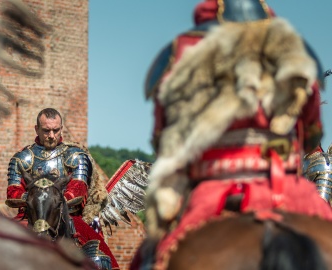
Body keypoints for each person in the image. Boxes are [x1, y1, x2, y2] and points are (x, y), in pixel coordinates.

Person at [133, 0, 332, 269]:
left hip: (211, 193)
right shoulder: (294, 48)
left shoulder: (181, 50)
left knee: (150, 258)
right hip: (289, 191)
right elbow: (311, 133)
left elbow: (162, 137)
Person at [5, 108, 119, 269]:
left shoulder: (75, 156)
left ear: (61, 129)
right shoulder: (22, 158)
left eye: (55, 130)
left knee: (99, 257)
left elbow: (78, 187)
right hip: (29, 216)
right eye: (46, 130)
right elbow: (12, 192)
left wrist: (55, 201)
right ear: (36, 129)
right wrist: (35, 200)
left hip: (68, 216)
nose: (51, 135)